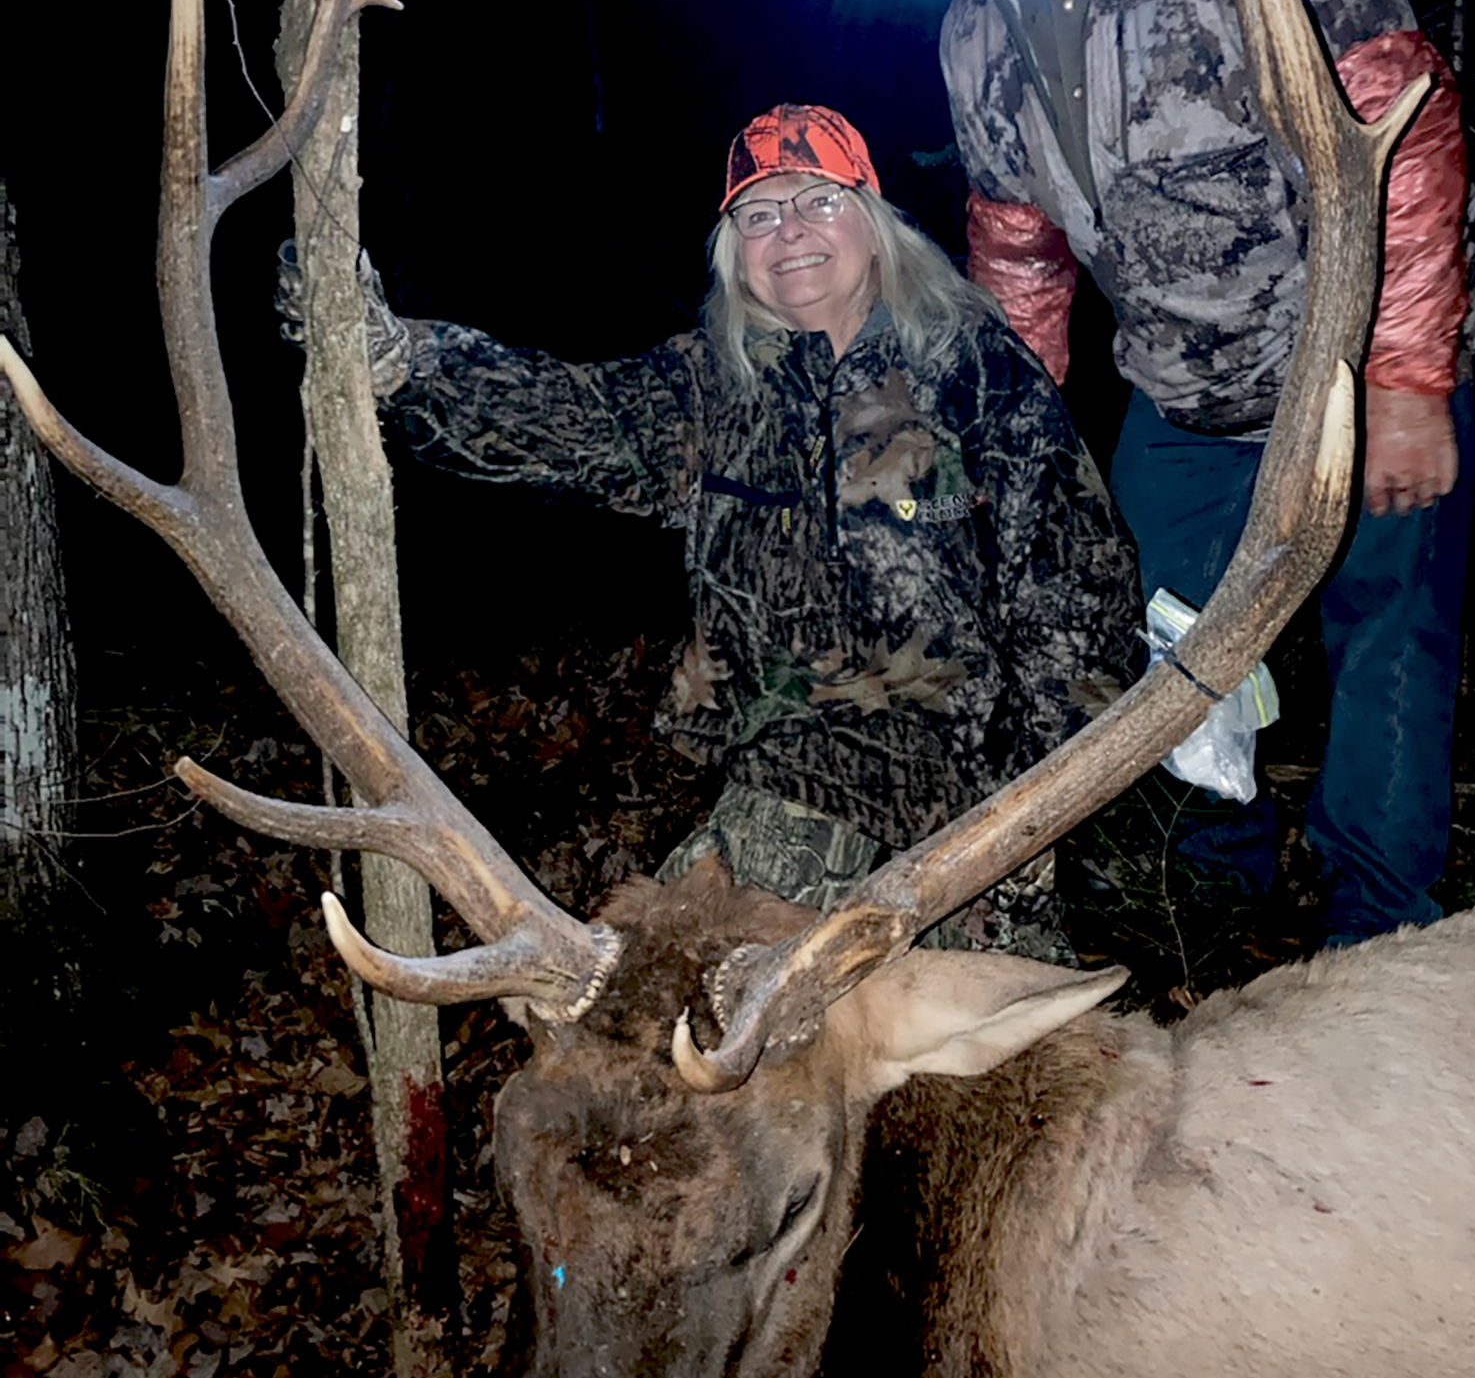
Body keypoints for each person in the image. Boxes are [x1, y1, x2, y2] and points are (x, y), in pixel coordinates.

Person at [281, 103, 1140, 957]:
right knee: (677, 1004)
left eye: (818, 201)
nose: (789, 233)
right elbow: (573, 420)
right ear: (737, 253)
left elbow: (1075, 576)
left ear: (873, 222)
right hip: (799, 774)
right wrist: (404, 362)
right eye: (759, 216)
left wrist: (1047, 792)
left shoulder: (973, 363)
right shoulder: (715, 384)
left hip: (978, 781)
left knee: (1011, 1064)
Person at [898, 0, 1475, 948]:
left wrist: (1409, 374)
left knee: (1386, 640)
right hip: (1186, 398)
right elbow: (1020, 256)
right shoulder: (975, 31)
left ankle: (1376, 929)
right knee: (1180, 655)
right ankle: (1222, 876)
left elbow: (1404, 121)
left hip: (1350, 364)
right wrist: (1011, 452)